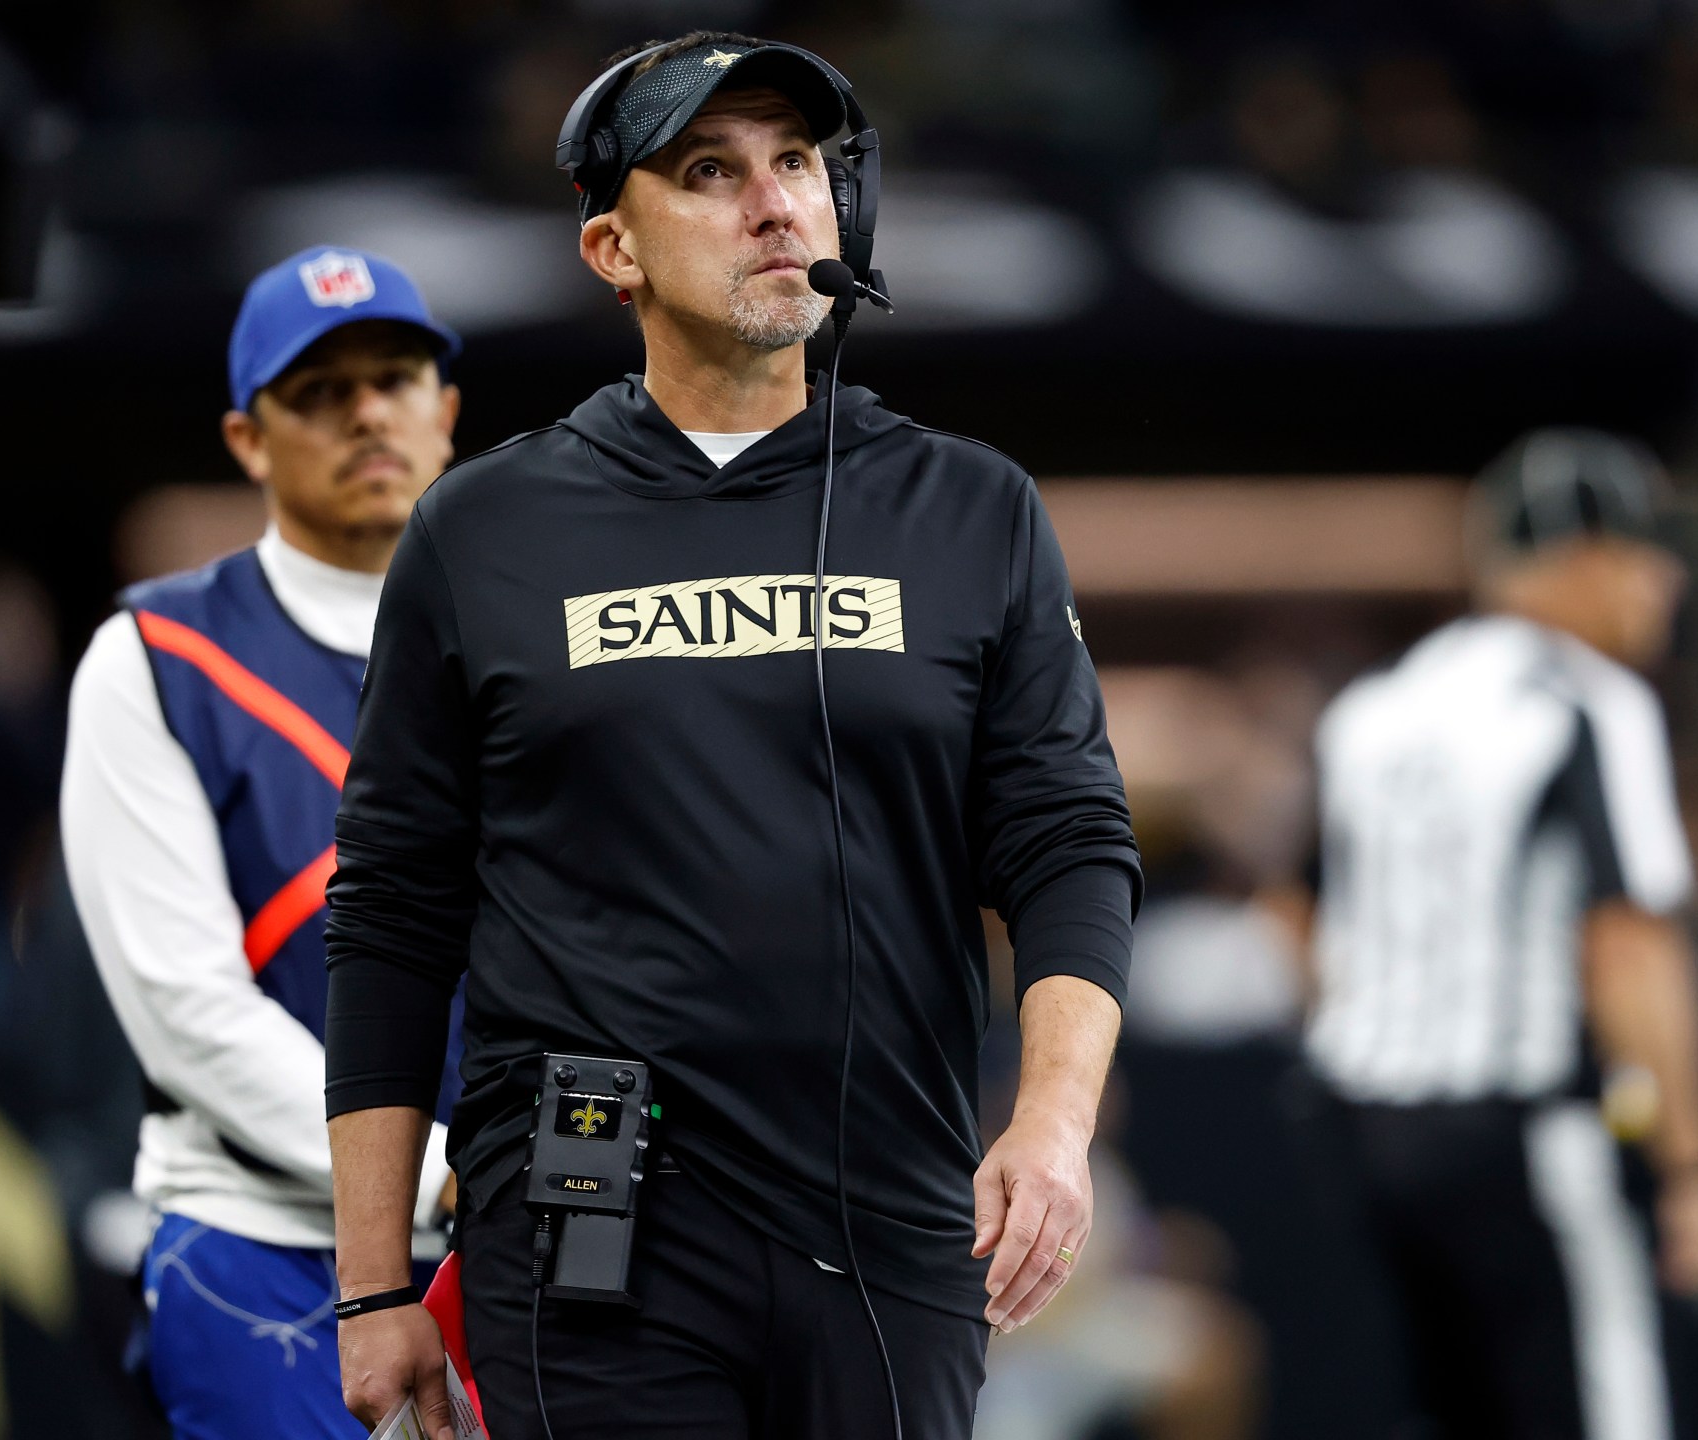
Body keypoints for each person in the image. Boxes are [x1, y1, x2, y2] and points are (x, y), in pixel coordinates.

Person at [323, 31, 1137, 1440]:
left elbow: (1068, 846)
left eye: (798, 163)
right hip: (590, 1222)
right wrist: (370, 1283)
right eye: (709, 170)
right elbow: (394, 910)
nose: (772, 203)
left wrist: (1054, 1128)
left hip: (889, 1212)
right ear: (612, 250)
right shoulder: (485, 531)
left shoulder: (972, 510)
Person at [60, 246, 466, 1440]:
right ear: (248, 440)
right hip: (267, 1252)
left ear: (447, 412)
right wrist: (445, 1174)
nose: (366, 411)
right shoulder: (158, 658)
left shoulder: (534, 644)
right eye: (319, 390)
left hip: (525, 1247)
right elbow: (188, 1011)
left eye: (394, 377)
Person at [1301, 429, 1698, 1440]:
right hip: (1518, 1126)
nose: (1666, 583)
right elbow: (1630, 945)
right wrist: (1693, 1168)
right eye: (1646, 552)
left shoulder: (1375, 706)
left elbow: (1298, 911)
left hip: (1366, 1127)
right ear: (1583, 555)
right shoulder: (1590, 701)